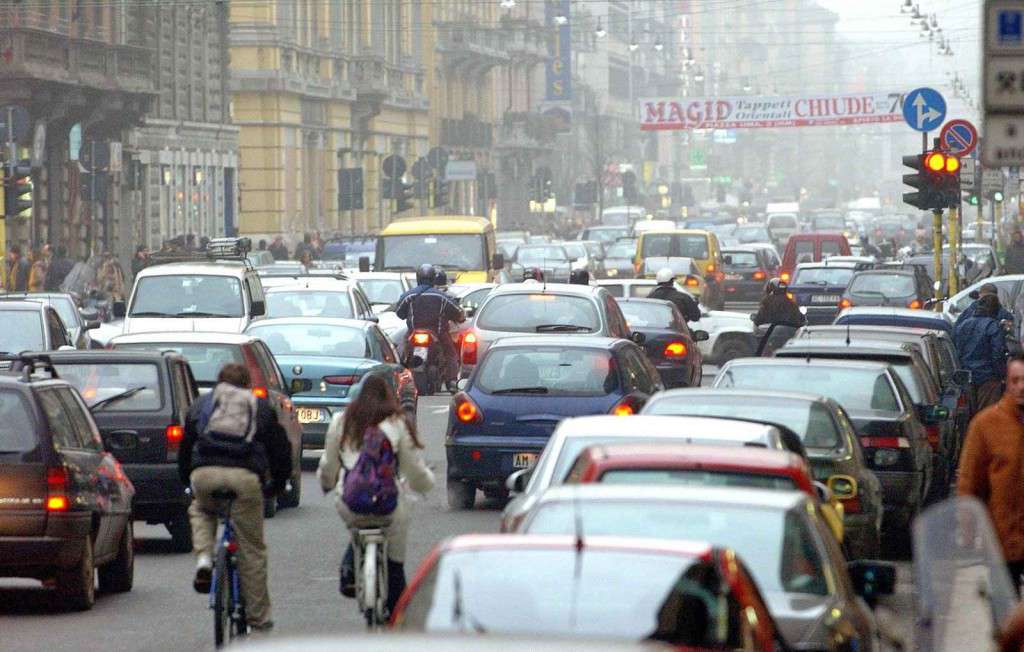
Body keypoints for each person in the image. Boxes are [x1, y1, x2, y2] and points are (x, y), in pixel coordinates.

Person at [178, 363, 293, 633]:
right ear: (246, 385)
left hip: (204, 475)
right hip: (244, 478)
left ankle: (205, 559)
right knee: (251, 550)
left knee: (202, 510)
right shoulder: (259, 407)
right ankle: (259, 617)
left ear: (219, 382)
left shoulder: (202, 404)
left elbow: (186, 446)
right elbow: (280, 449)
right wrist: (277, 484)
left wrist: (187, 479)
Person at [317, 374, 434, 615]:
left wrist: (327, 483)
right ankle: (397, 608)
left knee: (358, 525)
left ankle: (350, 566)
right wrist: (425, 485)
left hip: (351, 503)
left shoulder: (342, 421)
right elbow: (413, 470)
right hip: (387, 504)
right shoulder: (396, 423)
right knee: (395, 554)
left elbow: (329, 464)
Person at [958, 353, 1024, 594]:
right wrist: (967, 533)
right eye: (1015, 380)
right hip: (1002, 543)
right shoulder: (986, 425)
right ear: (1007, 381)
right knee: (1005, 621)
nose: (1021, 387)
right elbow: (969, 483)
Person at [394, 264, 465, 389]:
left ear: (418, 278)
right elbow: (457, 312)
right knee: (451, 354)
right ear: (433, 279)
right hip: (438, 334)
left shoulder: (408, 296)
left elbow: (399, 313)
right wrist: (460, 317)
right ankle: (451, 382)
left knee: (402, 351)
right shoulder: (441, 296)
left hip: (413, 332)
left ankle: (401, 374)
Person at [955, 294, 1009, 413]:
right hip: (987, 377)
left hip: (966, 375)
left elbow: (957, 349)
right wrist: (1001, 374)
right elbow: (997, 353)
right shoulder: (993, 326)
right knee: (986, 413)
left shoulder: (964, 324)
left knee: (968, 413)